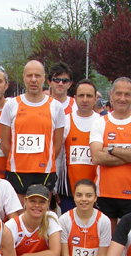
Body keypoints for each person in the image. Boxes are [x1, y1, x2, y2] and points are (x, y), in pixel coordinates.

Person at [89, 77, 131, 233]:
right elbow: (97, 157)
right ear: (111, 95)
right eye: (118, 94)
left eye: (127, 94)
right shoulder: (100, 122)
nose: (122, 98)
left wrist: (110, 149)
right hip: (104, 194)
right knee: (106, 246)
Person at [0, 60, 66, 203]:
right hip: (18, 171)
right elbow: (4, 144)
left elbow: (57, 145)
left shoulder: (56, 107)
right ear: (24, 77)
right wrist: (17, 159)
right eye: (29, 75)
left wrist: (43, 160)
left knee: (41, 215)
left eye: (37, 75)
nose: (33, 80)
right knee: (19, 214)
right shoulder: (11, 105)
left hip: (45, 171)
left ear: (44, 78)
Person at [56, 79, 100, 213]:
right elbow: (58, 156)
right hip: (69, 190)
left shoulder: (102, 122)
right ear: (74, 98)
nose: (85, 100)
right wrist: (55, 188)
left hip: (96, 191)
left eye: (89, 96)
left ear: (95, 98)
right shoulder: (65, 121)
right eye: (81, 96)